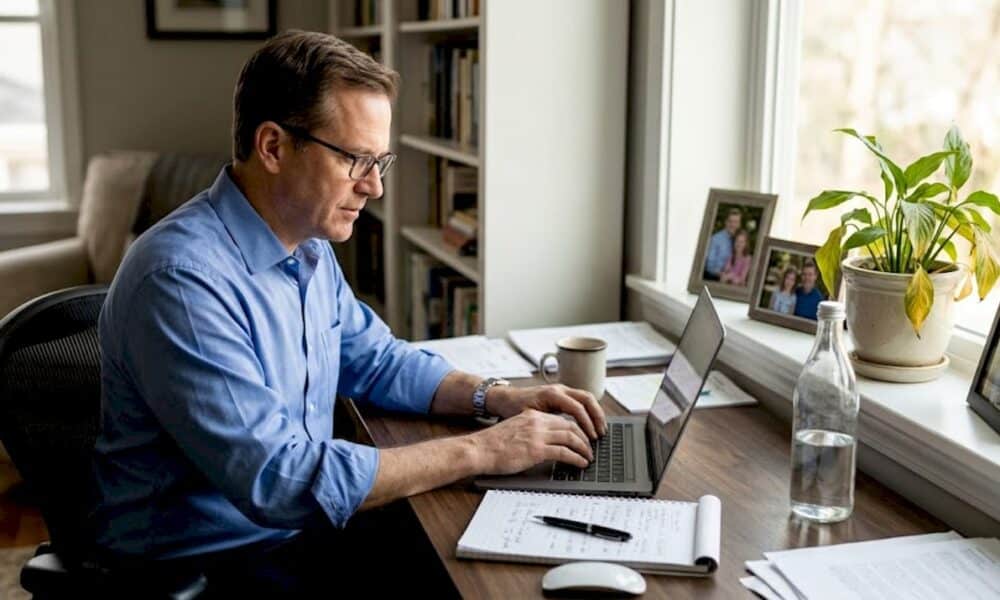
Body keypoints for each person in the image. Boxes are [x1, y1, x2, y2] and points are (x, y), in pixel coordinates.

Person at [90, 31, 605, 596]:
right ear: (273, 146)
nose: (376, 186)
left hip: (288, 535)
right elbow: (279, 481)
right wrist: (484, 448)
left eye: (379, 160)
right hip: (206, 566)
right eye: (357, 159)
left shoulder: (304, 245)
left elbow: (379, 361)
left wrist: (497, 397)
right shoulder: (183, 282)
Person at [703, 208, 742, 281]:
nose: (733, 225)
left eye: (736, 222)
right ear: (726, 222)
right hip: (714, 277)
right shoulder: (716, 239)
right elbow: (709, 265)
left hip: (732, 278)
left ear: (739, 224)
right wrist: (721, 274)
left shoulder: (739, 240)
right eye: (730, 221)